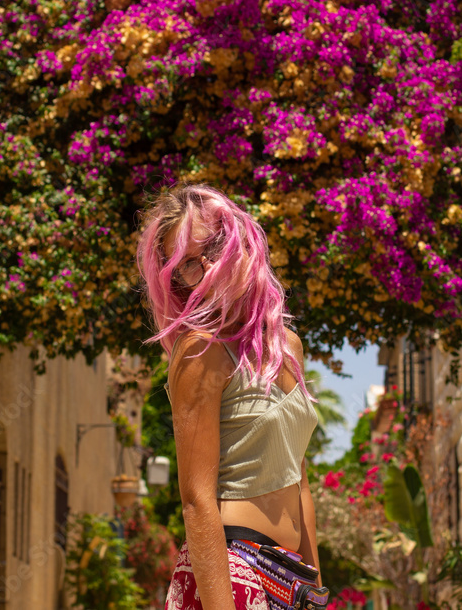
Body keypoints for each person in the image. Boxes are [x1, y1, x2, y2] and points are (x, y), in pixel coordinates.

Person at [136, 184, 322, 610]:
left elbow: (301, 482)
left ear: (237, 239)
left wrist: (316, 593)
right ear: (176, 280)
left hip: (289, 577)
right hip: (232, 571)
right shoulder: (200, 350)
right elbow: (197, 500)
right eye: (185, 265)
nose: (206, 267)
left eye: (211, 246)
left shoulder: (286, 346)